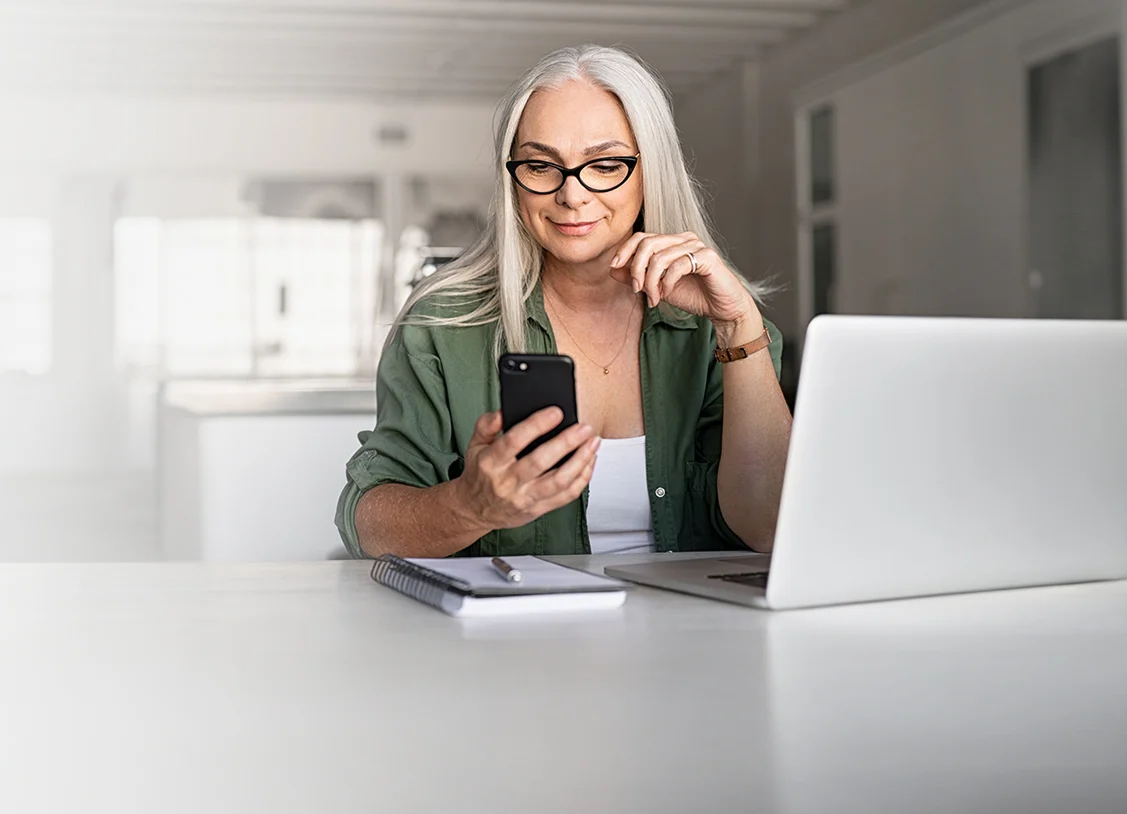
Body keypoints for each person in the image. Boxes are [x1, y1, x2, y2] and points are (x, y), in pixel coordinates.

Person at [336, 45, 793, 559]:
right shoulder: (442, 323)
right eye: (540, 165)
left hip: (691, 631)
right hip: (516, 634)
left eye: (604, 165)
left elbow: (770, 528)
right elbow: (369, 527)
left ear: (650, 171)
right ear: (514, 180)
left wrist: (738, 328)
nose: (571, 195)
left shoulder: (724, 329)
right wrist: (471, 506)